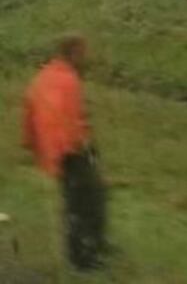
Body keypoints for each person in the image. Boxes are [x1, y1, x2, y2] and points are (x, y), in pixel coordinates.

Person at [22, 35, 107, 270]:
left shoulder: (43, 77)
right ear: (73, 53)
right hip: (73, 151)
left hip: (59, 150)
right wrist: (82, 146)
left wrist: (32, 145)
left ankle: (92, 247)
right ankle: (85, 260)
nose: (87, 57)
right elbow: (69, 121)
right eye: (84, 52)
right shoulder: (68, 80)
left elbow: (29, 112)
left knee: (86, 199)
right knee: (85, 203)